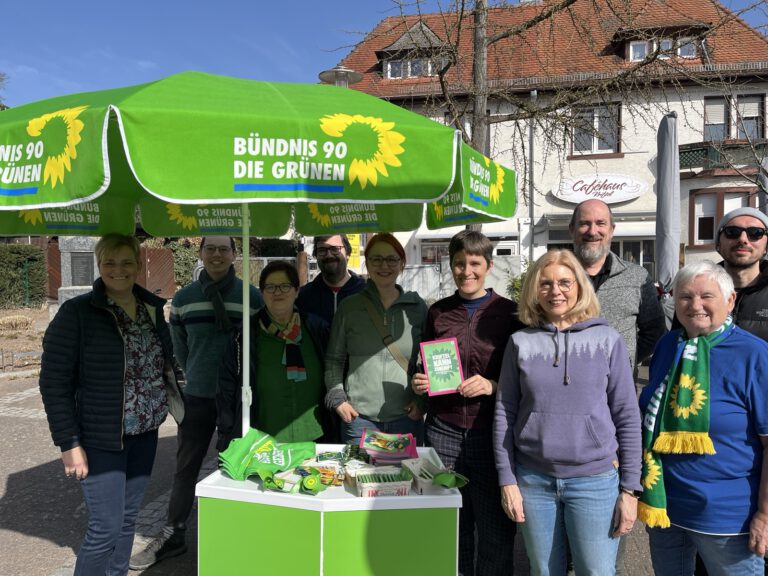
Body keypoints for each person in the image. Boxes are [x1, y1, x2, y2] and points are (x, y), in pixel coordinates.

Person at [39, 233, 184, 576]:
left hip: (145, 432)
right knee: (105, 527)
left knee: (127, 521)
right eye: (110, 263)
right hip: (101, 437)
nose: (119, 270)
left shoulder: (150, 309)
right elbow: (53, 382)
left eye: (127, 262)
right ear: (99, 265)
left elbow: (161, 363)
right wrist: (69, 444)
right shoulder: (77, 313)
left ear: (138, 264)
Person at [494, 249, 642, 575]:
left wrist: (630, 489)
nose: (555, 291)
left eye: (564, 282)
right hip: (533, 480)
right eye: (545, 284)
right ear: (534, 289)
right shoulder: (520, 342)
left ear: (579, 285)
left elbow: (627, 416)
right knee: (544, 571)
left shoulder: (607, 340)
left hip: (594, 481)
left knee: (597, 571)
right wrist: (508, 481)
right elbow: (505, 412)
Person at [129, 236, 262, 571]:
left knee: (240, 466)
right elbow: (180, 349)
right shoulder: (186, 299)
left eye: (223, 249)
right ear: (201, 254)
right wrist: (196, 378)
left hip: (241, 398)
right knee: (186, 467)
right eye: (210, 249)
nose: (217, 255)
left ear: (235, 254)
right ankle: (174, 533)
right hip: (199, 397)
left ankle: (240, 532)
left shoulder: (252, 296)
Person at [639, 260, 768, 575]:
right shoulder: (670, 344)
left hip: (727, 517)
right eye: (685, 297)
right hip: (666, 507)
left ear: (730, 300)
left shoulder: (755, 355)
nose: (695, 305)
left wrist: (764, 515)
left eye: (706, 296)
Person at [411, 230, 523, 576]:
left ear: (489, 265)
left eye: (474, 263)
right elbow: (425, 363)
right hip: (444, 430)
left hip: (491, 433)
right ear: (451, 265)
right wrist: (421, 382)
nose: (466, 271)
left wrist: (492, 384)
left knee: (494, 530)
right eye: (459, 263)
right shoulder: (438, 312)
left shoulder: (510, 314)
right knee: (452, 523)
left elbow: (525, 376)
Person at [325, 233, 427, 445]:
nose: (384, 266)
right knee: (358, 477)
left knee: (405, 478)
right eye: (376, 259)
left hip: (406, 417)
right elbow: (334, 360)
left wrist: (422, 401)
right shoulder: (349, 307)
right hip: (358, 420)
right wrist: (338, 399)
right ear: (367, 263)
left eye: (392, 259)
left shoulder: (417, 308)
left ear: (402, 264)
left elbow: (429, 362)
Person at [217, 260, 331, 447]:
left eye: (285, 286)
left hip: (316, 436)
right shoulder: (244, 335)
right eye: (270, 287)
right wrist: (226, 434)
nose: (277, 292)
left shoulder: (317, 329)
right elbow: (226, 389)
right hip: (263, 440)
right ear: (262, 293)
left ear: (297, 291)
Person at [569, 199, 667, 370]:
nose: (593, 231)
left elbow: (654, 331)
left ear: (611, 230)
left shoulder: (637, 277)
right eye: (584, 224)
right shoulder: (554, 278)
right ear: (572, 229)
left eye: (601, 223)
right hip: (565, 386)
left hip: (618, 391)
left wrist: (626, 361)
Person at [715, 206, 768, 340]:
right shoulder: (697, 290)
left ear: (766, 247)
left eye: (756, 233)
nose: (743, 239)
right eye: (732, 231)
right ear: (718, 244)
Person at [296, 234, 366, 325]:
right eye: (322, 250)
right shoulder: (303, 297)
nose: (329, 255)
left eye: (335, 249)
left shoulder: (366, 293)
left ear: (348, 254)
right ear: (316, 256)